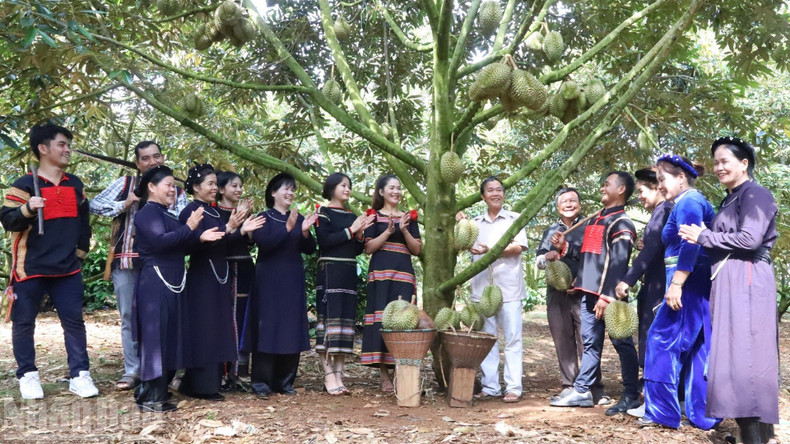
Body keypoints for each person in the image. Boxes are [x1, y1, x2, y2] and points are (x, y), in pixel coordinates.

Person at [679, 137, 779, 443]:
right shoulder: (731, 198)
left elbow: (750, 240)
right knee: (736, 360)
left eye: (725, 161)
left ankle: (756, 438)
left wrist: (705, 236)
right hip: (730, 281)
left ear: (744, 163)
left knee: (745, 361)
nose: (719, 167)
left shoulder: (756, 194)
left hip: (747, 281)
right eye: (716, 162)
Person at [1, 122, 98, 400]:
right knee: (24, 323)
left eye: (68, 144)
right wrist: (28, 208)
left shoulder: (75, 184)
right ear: (43, 149)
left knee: (74, 322)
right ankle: (28, 375)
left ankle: (80, 375)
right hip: (29, 268)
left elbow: (83, 224)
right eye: (61, 144)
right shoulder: (23, 186)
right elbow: (8, 220)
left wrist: (80, 253)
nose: (67, 149)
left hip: (67, 268)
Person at [89, 140, 188, 391]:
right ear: (137, 163)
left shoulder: (175, 189)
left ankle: (163, 369)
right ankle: (133, 369)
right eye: (145, 158)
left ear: (163, 158)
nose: (152, 162)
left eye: (156, 156)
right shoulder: (126, 184)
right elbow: (94, 204)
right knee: (128, 316)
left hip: (162, 264)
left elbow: (185, 220)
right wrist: (125, 204)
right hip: (127, 258)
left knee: (163, 316)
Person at [634, 155, 719, 430]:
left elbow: (692, 243)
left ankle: (662, 413)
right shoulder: (686, 201)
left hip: (688, 281)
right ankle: (702, 415)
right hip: (694, 281)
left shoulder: (690, 201)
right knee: (696, 348)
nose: (659, 186)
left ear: (681, 178)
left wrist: (676, 284)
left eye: (662, 179)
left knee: (661, 340)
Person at [131, 165, 224, 412]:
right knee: (156, 339)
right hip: (155, 283)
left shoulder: (168, 214)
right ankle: (150, 396)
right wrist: (191, 228)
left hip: (172, 282)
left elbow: (179, 243)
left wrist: (199, 238)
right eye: (168, 185)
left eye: (174, 186)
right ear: (151, 187)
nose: (173, 190)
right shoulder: (146, 213)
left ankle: (156, 393)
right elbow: (161, 243)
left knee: (170, 337)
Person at [549, 172, 640, 416]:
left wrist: (607, 296)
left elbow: (619, 263)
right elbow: (589, 255)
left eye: (607, 183)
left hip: (609, 296)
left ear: (621, 189)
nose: (602, 186)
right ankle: (581, 390)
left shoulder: (622, 223)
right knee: (590, 343)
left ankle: (631, 393)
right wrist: (564, 247)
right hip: (589, 293)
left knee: (622, 344)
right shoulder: (597, 220)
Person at [177, 164, 263, 401]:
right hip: (202, 276)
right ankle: (198, 385)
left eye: (216, 184)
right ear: (196, 187)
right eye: (210, 184)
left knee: (217, 327)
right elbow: (192, 243)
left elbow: (226, 241)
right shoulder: (191, 211)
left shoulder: (214, 211)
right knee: (203, 328)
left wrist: (240, 230)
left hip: (220, 275)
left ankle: (210, 383)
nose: (215, 188)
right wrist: (230, 228)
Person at [240, 172, 317, 398]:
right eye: (285, 188)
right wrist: (287, 228)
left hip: (292, 278)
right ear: (273, 193)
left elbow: (310, 249)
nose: (290, 192)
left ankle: (285, 382)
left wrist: (303, 231)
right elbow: (265, 244)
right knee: (268, 328)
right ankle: (261, 384)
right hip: (269, 279)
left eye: (292, 189)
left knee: (290, 328)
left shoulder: (298, 217)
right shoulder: (264, 217)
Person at [454, 177, 527, 403]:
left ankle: (514, 387)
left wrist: (493, 250)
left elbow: (519, 247)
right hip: (482, 289)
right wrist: (461, 224)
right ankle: (490, 386)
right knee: (487, 339)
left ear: (503, 194)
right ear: (483, 196)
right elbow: (461, 244)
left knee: (513, 339)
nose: (495, 193)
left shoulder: (515, 219)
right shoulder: (474, 223)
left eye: (499, 190)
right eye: (490, 190)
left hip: (509, 289)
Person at [615, 166, 673, 417]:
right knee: (651, 341)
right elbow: (654, 246)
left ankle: (655, 403)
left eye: (641, 191)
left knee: (656, 342)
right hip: (655, 283)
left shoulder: (664, 211)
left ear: (658, 188)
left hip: (661, 286)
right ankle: (652, 399)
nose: (639, 196)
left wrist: (627, 279)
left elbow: (650, 252)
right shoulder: (662, 212)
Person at [315, 173, 375, 395]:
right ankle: (328, 373)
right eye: (343, 185)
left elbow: (356, 249)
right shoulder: (324, 212)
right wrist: (351, 231)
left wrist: (359, 235)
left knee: (344, 322)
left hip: (349, 271)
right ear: (331, 188)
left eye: (349, 186)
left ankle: (339, 374)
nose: (347, 189)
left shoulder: (353, 215)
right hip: (330, 270)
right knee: (328, 322)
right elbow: (325, 241)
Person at [361, 174, 421, 393]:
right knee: (381, 321)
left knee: (403, 320)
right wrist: (387, 231)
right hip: (380, 275)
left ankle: (400, 370)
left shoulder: (409, 218)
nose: (396, 192)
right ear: (381, 192)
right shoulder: (373, 216)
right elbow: (368, 248)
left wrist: (403, 229)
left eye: (398, 188)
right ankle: (384, 374)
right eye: (391, 188)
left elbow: (416, 249)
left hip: (404, 274)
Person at [216, 171, 255, 382]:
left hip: (245, 266)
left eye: (241, 186)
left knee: (243, 315)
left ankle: (241, 370)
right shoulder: (214, 212)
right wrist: (237, 226)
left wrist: (248, 228)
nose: (239, 190)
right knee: (225, 315)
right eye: (234, 186)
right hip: (224, 268)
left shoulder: (247, 213)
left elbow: (250, 243)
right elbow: (221, 240)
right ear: (221, 189)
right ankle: (222, 369)